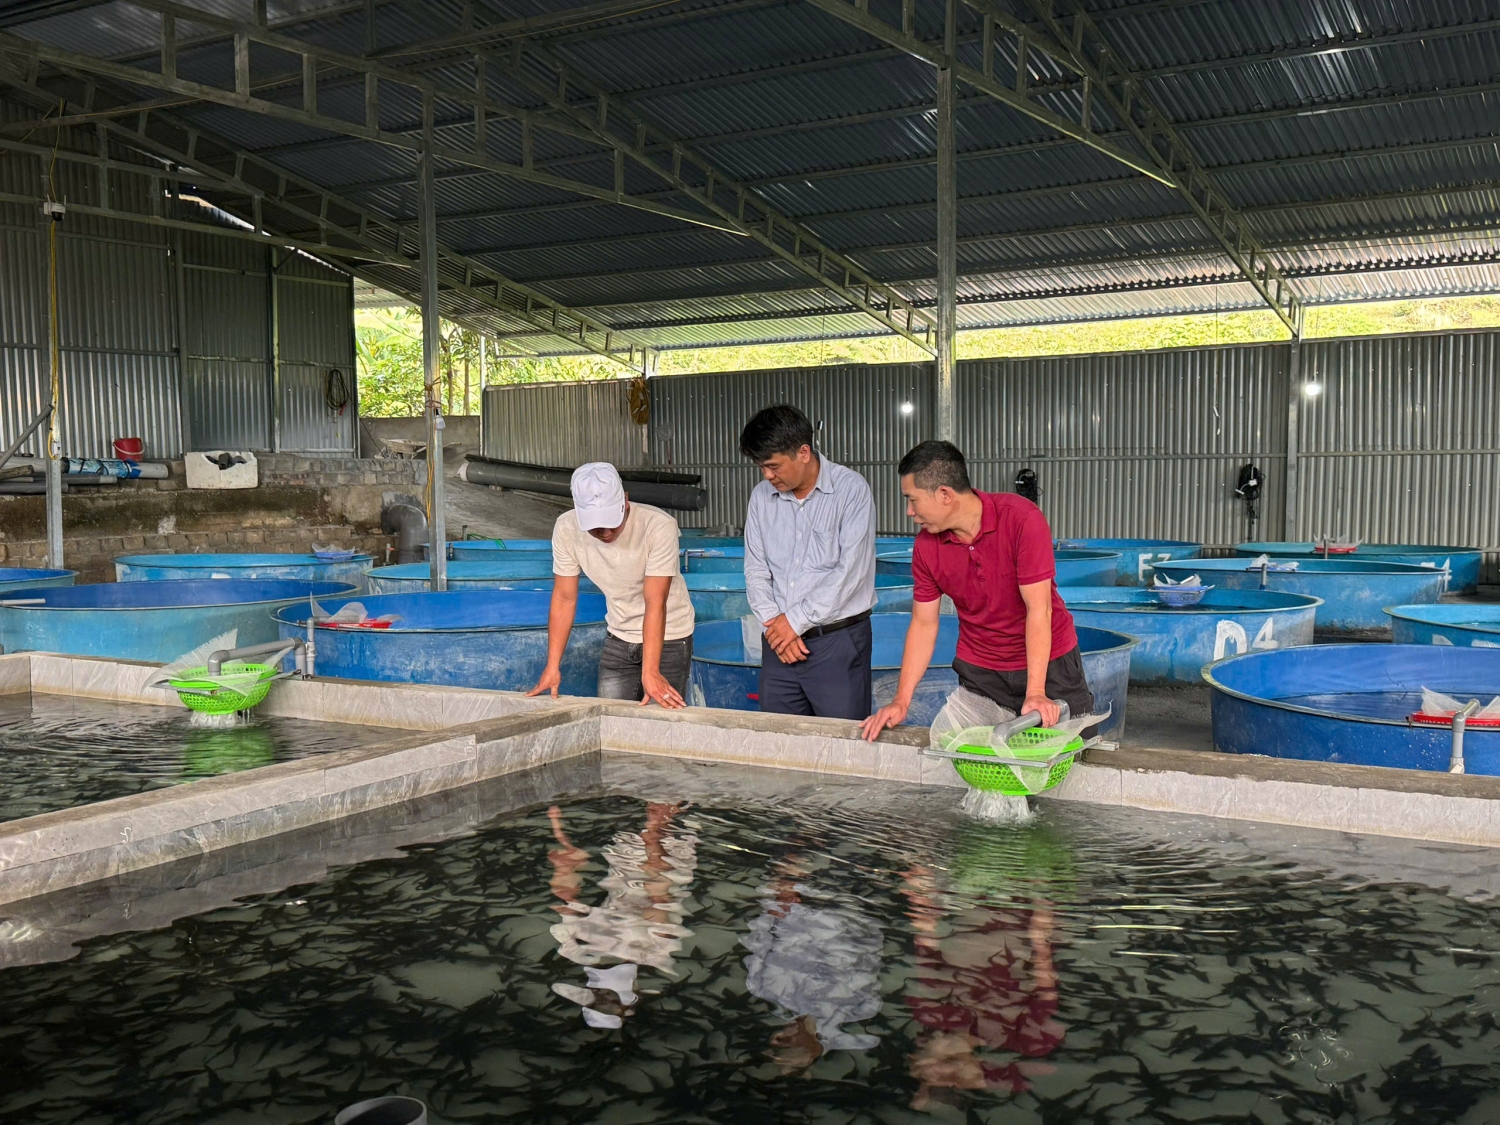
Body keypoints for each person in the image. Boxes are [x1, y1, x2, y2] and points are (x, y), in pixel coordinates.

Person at [862, 440, 1093, 740]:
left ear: (944, 494)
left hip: (1049, 665)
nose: (909, 511)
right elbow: (923, 623)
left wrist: (1036, 692)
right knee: (981, 763)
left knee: (1071, 760)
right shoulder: (926, 547)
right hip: (982, 672)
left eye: (913, 499)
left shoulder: (1021, 519)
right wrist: (901, 701)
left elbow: (1039, 609)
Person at [741, 404, 878, 720]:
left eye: (774, 466)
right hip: (778, 643)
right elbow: (756, 567)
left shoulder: (850, 490)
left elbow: (850, 571)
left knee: (841, 744)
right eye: (761, 466)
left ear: (803, 452)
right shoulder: (762, 497)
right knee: (780, 742)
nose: (767, 475)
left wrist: (794, 621)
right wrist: (777, 624)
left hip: (836, 643)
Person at [528, 462, 695, 708]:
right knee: (611, 718)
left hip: (670, 635)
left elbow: (654, 601)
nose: (605, 532)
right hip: (619, 634)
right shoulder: (566, 528)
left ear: (625, 501)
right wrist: (552, 666)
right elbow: (564, 598)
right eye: (595, 526)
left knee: (662, 722)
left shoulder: (658, 525)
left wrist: (651, 671)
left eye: (610, 521)